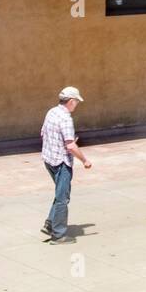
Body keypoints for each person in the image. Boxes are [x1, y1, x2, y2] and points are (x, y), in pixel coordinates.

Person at [40, 86, 92, 243]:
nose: (76, 104)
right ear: (70, 101)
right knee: (63, 198)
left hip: (48, 159)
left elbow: (43, 133)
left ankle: (50, 223)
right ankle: (59, 234)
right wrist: (85, 160)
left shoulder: (52, 112)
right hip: (61, 162)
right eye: (76, 101)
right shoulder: (66, 119)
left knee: (59, 193)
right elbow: (70, 146)